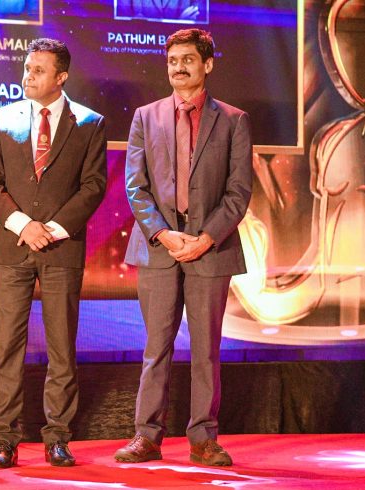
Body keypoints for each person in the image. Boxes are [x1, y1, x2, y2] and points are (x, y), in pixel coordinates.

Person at [117, 28, 252, 467]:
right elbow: (135, 187)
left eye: (188, 59)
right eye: (172, 60)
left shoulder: (233, 120)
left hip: (211, 249)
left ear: (207, 64)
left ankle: (203, 439)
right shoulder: (145, 116)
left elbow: (238, 191)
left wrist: (206, 237)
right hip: (159, 248)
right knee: (155, 347)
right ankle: (146, 436)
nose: (178, 67)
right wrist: (163, 234)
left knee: (206, 350)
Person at [0, 38, 108, 469]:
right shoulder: (3, 117)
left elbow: (93, 186)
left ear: (61, 77)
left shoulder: (89, 123)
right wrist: (24, 225)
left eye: (38, 70)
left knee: (61, 347)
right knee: (7, 346)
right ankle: (4, 439)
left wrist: (51, 229)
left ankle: (58, 437)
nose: (28, 76)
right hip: (13, 246)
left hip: (62, 248)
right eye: (27, 67)